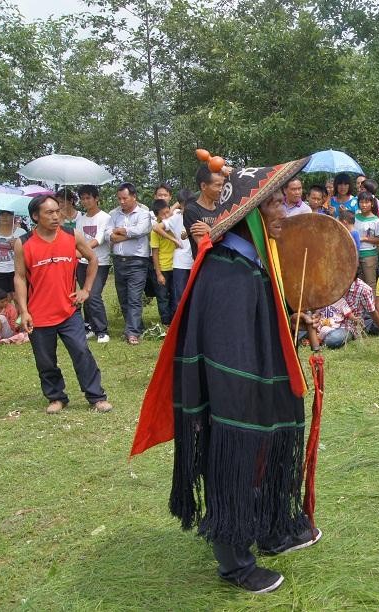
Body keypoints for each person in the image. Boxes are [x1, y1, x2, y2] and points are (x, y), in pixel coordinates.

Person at [132, 160, 321, 593]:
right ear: (252, 215)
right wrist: (241, 404)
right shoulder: (226, 272)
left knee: (267, 447)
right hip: (233, 394)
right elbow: (226, 353)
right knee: (235, 454)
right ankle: (234, 562)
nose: (283, 212)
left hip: (258, 386)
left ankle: (272, 526)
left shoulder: (250, 262)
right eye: (274, 203)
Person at [13, 195, 112, 414]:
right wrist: (24, 311)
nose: (56, 216)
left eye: (57, 211)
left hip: (69, 311)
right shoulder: (24, 243)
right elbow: (19, 277)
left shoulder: (72, 235)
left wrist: (86, 290)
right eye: (49, 212)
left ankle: (96, 396)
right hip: (38, 315)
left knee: (82, 352)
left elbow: (92, 258)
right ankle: (56, 397)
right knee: (45, 360)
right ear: (35, 216)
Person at [106, 182, 152, 345]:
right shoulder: (114, 214)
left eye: (125, 198)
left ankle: (132, 332)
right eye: (119, 199)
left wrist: (121, 232)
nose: (122, 202)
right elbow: (108, 234)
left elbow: (141, 230)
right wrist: (127, 234)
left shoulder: (143, 213)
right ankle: (134, 326)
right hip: (119, 261)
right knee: (123, 296)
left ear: (134, 197)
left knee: (134, 297)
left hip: (137, 261)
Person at [74, 185, 112, 344]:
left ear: (96, 198)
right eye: (82, 198)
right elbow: (78, 239)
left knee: (94, 295)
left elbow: (98, 239)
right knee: (85, 295)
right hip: (82, 263)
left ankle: (102, 331)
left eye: (88, 198)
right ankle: (89, 326)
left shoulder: (105, 217)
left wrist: (81, 251)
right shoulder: (80, 219)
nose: (85, 201)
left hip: (100, 262)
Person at [184, 164, 227, 257]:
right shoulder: (191, 210)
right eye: (218, 185)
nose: (221, 189)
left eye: (223, 185)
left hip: (225, 263)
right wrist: (221, 234)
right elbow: (202, 244)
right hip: (206, 267)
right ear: (203, 186)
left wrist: (210, 231)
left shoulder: (222, 208)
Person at [150, 199, 178, 328]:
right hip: (163, 268)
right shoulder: (155, 231)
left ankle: (175, 321)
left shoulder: (175, 224)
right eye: (163, 214)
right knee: (162, 297)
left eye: (168, 212)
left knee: (175, 294)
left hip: (177, 266)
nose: (167, 216)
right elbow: (154, 253)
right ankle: (166, 322)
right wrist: (158, 273)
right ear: (157, 216)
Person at [354, 191, 379, 288]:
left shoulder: (376, 221)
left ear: (372, 203)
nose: (364, 205)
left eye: (366, 202)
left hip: (369, 255)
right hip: (355, 254)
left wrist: (365, 239)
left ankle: (372, 303)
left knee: (370, 283)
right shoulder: (355, 217)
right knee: (357, 284)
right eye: (361, 202)